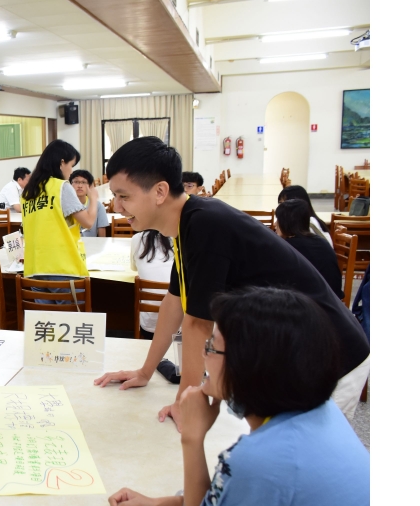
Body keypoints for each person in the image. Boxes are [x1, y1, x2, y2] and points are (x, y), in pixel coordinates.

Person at [107, 287, 369, 506]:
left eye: (212, 347)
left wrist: (192, 439)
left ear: (249, 366)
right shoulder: (321, 412)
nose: (204, 355)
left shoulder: (265, 457)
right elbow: (244, 501)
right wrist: (162, 505)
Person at [95, 137, 369, 421]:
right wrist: (144, 372)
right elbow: (173, 304)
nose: (116, 207)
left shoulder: (204, 224)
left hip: (331, 356)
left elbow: (198, 323)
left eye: (124, 196)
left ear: (160, 191)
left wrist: (185, 402)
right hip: (293, 352)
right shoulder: (186, 224)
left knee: (303, 459)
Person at [21, 140, 98, 296]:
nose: (71, 171)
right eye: (71, 165)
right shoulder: (61, 186)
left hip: (35, 268)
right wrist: (94, 198)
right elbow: (89, 222)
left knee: (46, 319)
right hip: (62, 267)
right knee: (70, 319)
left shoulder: (28, 192)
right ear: (62, 163)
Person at [274, 199, 343, 299]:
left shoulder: (288, 247)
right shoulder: (320, 241)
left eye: (278, 219)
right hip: (334, 302)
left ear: (287, 222)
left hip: (311, 307)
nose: (275, 224)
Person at [130, 229, 174, 339]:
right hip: (182, 326)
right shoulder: (179, 237)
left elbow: (133, 267)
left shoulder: (137, 239)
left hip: (150, 326)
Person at [70, 170, 109, 237]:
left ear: (90, 186)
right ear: (70, 185)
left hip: (91, 246)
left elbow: (102, 237)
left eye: (84, 182)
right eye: (76, 182)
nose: (80, 186)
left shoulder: (98, 206)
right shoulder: (66, 205)